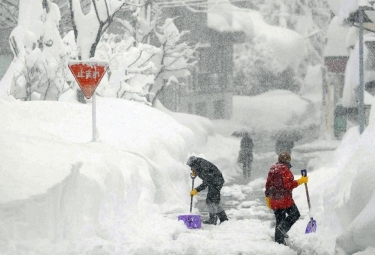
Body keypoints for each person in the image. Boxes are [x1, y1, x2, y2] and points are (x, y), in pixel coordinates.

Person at [264, 151, 308, 245]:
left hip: (274, 200)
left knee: (279, 220)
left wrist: (268, 197)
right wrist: (300, 181)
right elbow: (288, 185)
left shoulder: (273, 169)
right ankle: (283, 228)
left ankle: (279, 243)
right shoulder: (284, 170)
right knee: (295, 214)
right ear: (288, 160)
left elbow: (267, 185)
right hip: (284, 200)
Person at [187, 156, 229, 225]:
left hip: (216, 182)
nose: (191, 169)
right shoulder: (199, 165)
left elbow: (206, 183)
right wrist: (196, 172)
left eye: (191, 167)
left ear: (194, 164)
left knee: (211, 201)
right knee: (215, 201)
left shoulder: (203, 167)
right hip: (214, 181)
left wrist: (196, 190)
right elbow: (204, 173)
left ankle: (213, 220)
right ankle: (223, 219)